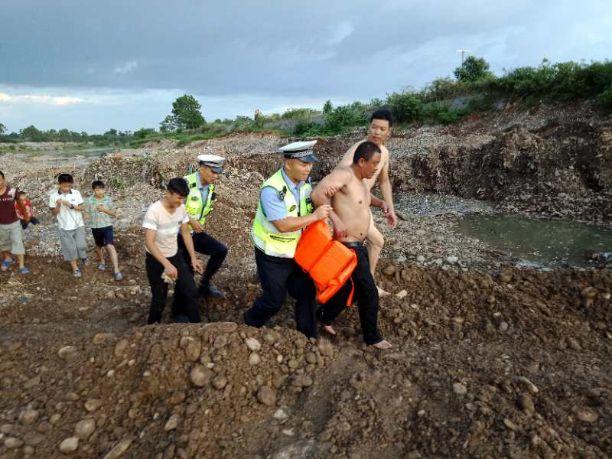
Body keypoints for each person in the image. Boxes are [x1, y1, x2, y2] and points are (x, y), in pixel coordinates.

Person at [244, 140, 332, 338]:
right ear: (288, 163)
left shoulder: (304, 184)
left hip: (297, 252)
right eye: (303, 163)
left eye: (310, 163)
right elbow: (282, 225)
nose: (308, 168)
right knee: (274, 301)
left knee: (307, 291)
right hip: (273, 255)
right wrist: (315, 216)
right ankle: (249, 324)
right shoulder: (271, 189)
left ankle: (308, 334)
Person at [312, 141, 392, 349]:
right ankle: (372, 337)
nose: (376, 168)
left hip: (359, 244)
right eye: (374, 163)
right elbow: (318, 194)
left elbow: (365, 197)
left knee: (350, 288)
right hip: (348, 246)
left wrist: (381, 203)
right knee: (369, 291)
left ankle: (323, 316)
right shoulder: (344, 175)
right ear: (362, 161)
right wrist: (336, 221)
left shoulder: (361, 179)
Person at [337, 108, 397, 296]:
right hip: (348, 206)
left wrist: (390, 208)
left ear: (389, 132)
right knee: (348, 247)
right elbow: (339, 175)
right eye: (374, 127)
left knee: (377, 241)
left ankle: (366, 284)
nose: (376, 132)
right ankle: (358, 286)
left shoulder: (384, 153)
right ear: (368, 127)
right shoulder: (358, 150)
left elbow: (384, 181)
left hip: (363, 204)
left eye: (381, 129)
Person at [142, 177, 204, 324]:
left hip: (175, 256)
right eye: (179, 198)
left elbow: (185, 233)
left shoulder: (181, 209)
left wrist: (193, 258)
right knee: (159, 297)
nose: (181, 202)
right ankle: (151, 328)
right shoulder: (154, 211)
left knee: (190, 290)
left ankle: (198, 325)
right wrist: (166, 265)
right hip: (156, 260)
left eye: (183, 199)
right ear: (168, 193)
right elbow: (149, 243)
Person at [179, 154, 228, 297]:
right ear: (201, 168)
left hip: (195, 233)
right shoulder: (185, 183)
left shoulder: (210, 186)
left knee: (220, 251)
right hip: (179, 234)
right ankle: (180, 311)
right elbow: (173, 209)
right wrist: (190, 220)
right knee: (186, 271)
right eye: (213, 172)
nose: (216, 176)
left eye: (218, 173)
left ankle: (204, 284)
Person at [49, 173, 87, 277]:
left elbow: (82, 208)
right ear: (59, 184)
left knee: (81, 245)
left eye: (69, 186)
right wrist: (58, 205)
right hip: (64, 226)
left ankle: (83, 256)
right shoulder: (53, 196)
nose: (67, 188)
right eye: (64, 186)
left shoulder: (76, 193)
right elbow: (53, 213)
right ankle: (75, 268)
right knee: (70, 248)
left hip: (79, 224)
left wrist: (70, 205)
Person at [85, 180, 123, 281]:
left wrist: (104, 210)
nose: (100, 192)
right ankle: (102, 261)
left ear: (104, 189)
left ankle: (116, 270)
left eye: (102, 189)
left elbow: (114, 213)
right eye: (97, 190)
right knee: (99, 246)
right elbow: (85, 212)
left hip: (107, 226)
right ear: (93, 190)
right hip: (95, 227)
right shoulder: (88, 200)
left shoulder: (108, 200)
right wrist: (86, 215)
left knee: (110, 245)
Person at [0, 171, 29, 274]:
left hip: (14, 223)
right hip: (1, 225)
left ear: (3, 179)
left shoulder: (12, 191)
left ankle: (21, 265)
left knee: (18, 243)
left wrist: (26, 217)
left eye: (0, 180)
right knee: (3, 244)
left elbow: (21, 205)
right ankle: (7, 259)